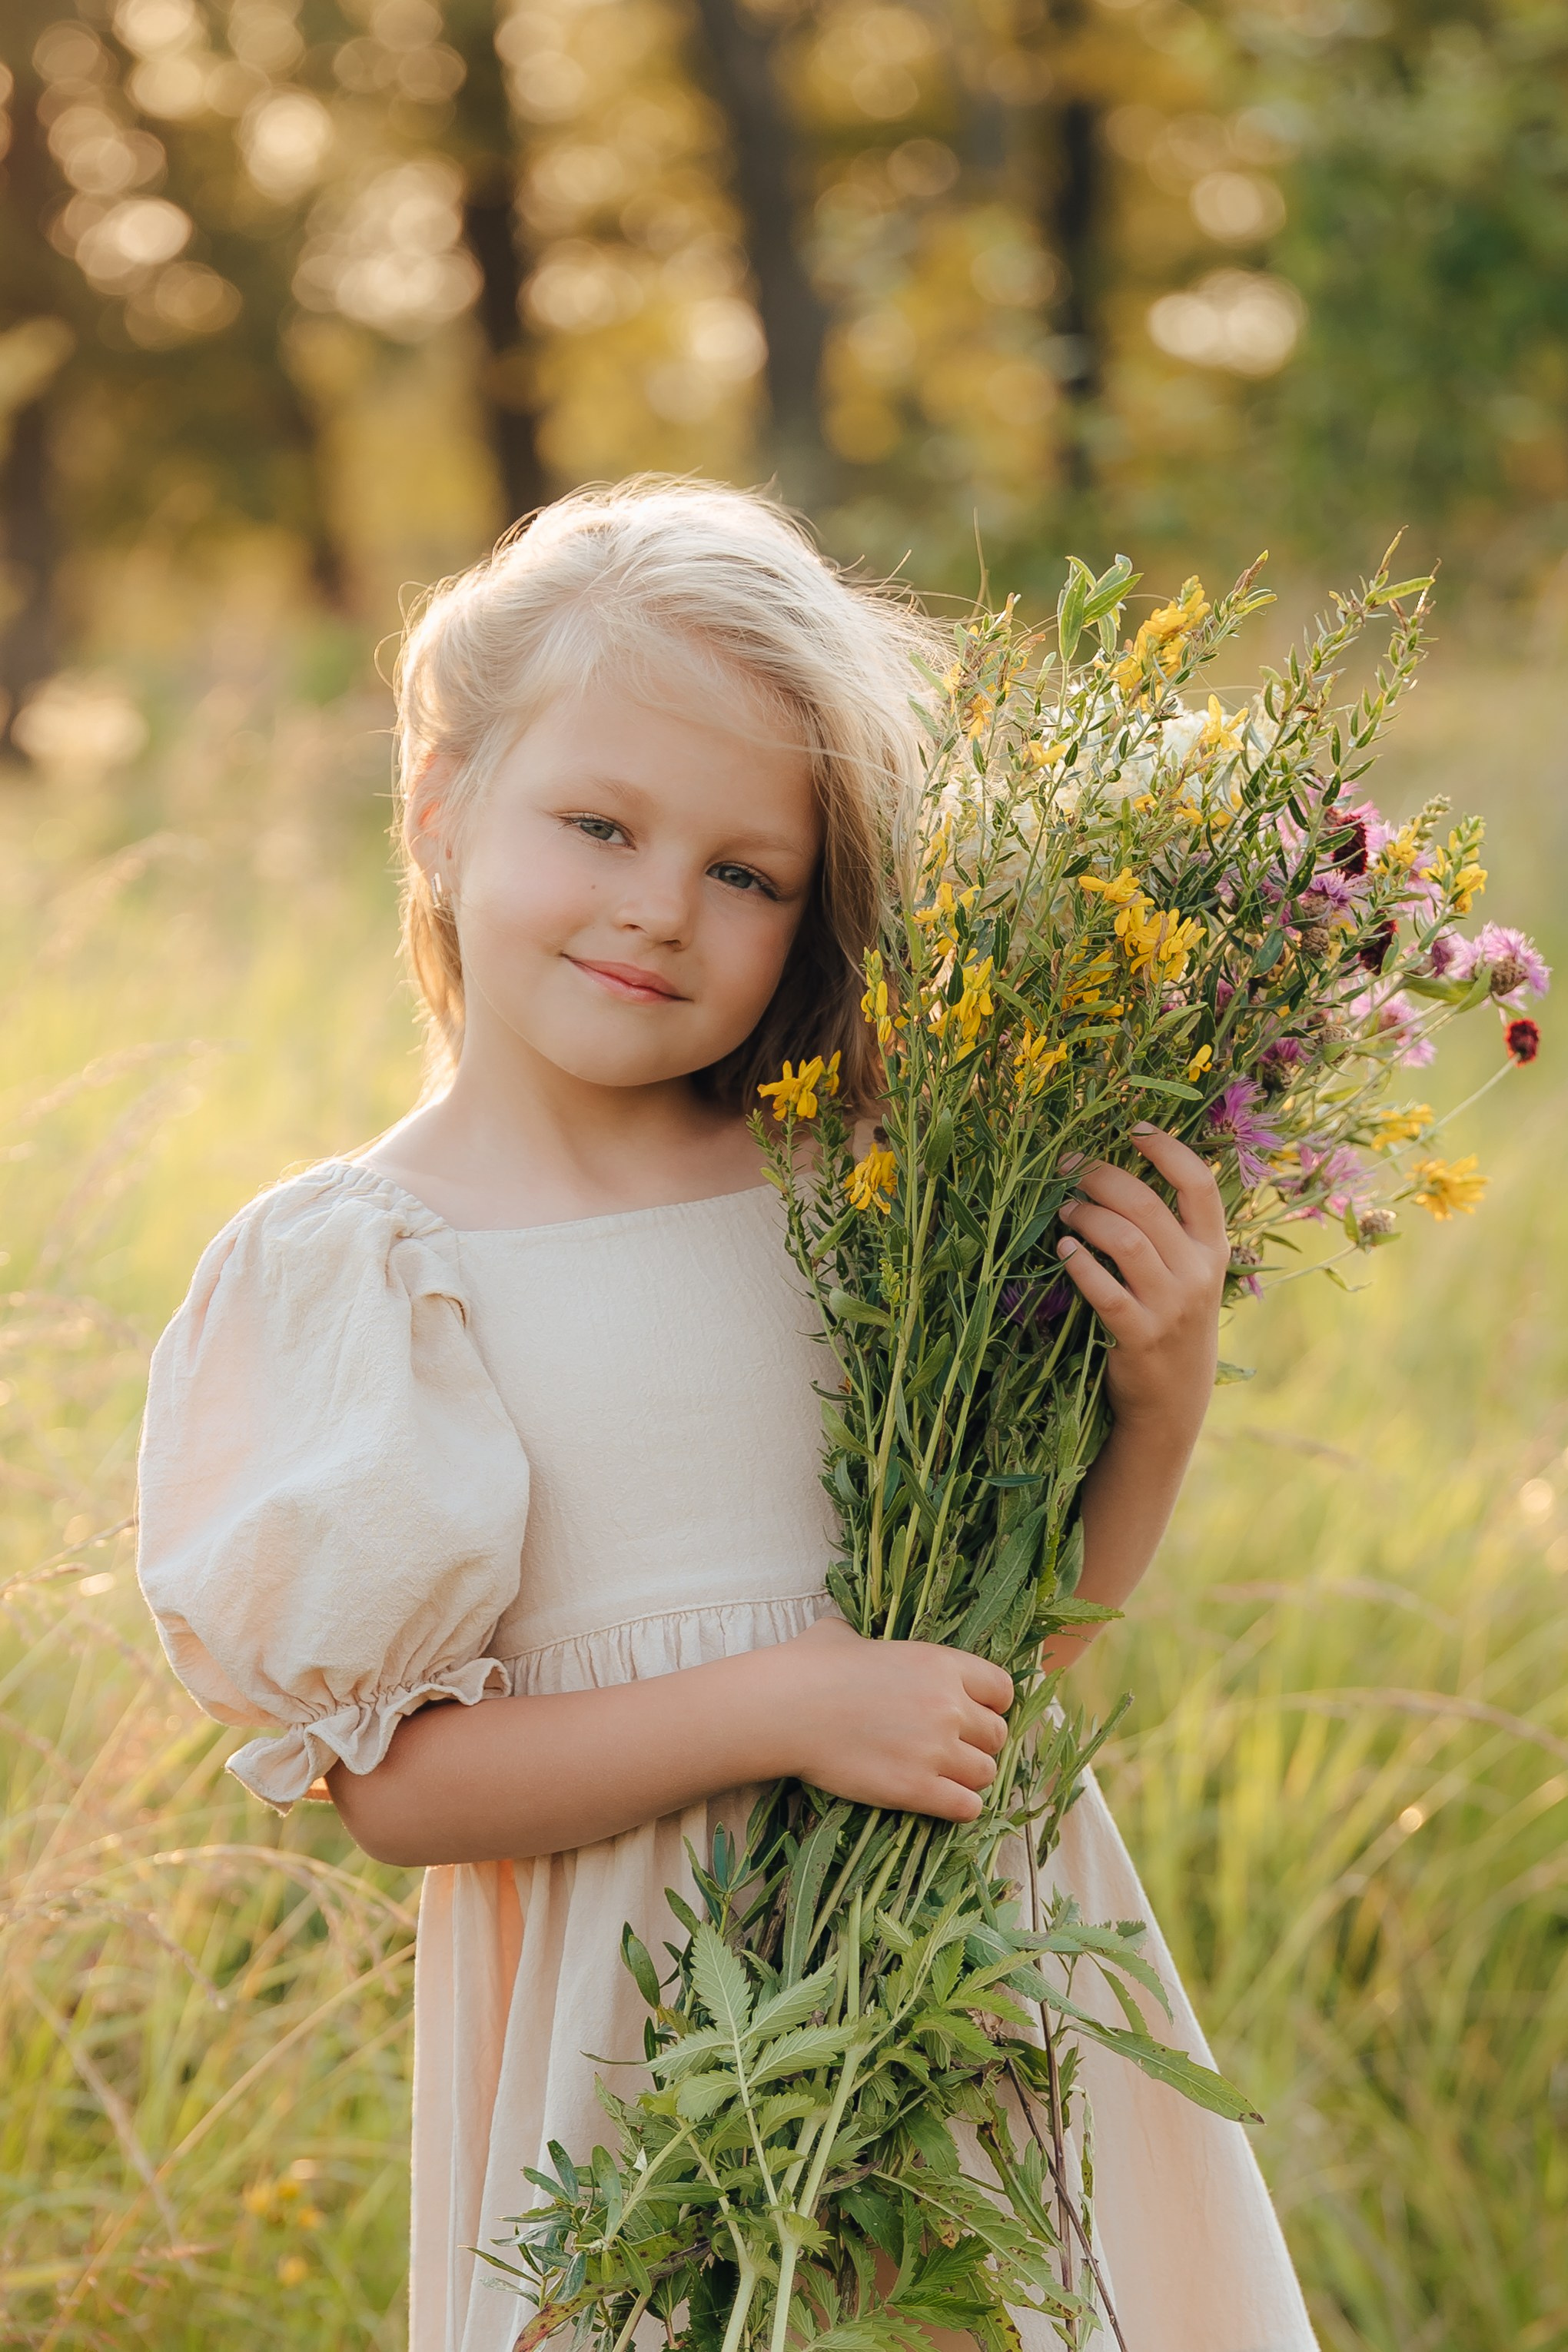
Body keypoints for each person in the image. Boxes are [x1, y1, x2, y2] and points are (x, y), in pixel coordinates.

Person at [135, 478, 1317, 2352]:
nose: (657, 910)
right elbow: (400, 1790)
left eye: (744, 873)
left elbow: (1012, 1661)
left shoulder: (865, 1196)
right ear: (441, 807)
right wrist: (777, 1703)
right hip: (644, 2065)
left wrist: (1159, 1394)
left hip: (962, 1981)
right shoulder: (367, 1269)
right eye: (597, 823)